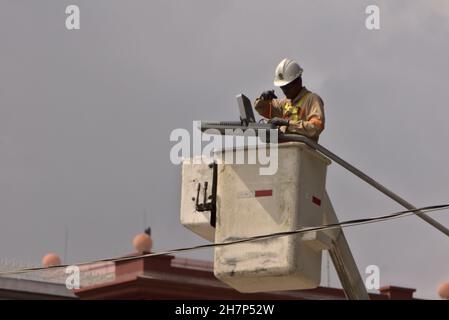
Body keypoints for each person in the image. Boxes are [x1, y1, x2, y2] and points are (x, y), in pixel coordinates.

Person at [254, 58, 325, 142]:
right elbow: (261, 108)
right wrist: (263, 99)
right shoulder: (285, 103)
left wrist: (287, 123)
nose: (285, 91)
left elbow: (315, 127)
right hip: (284, 150)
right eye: (282, 87)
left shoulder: (312, 99)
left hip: (302, 151)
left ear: (298, 81)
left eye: (287, 87)